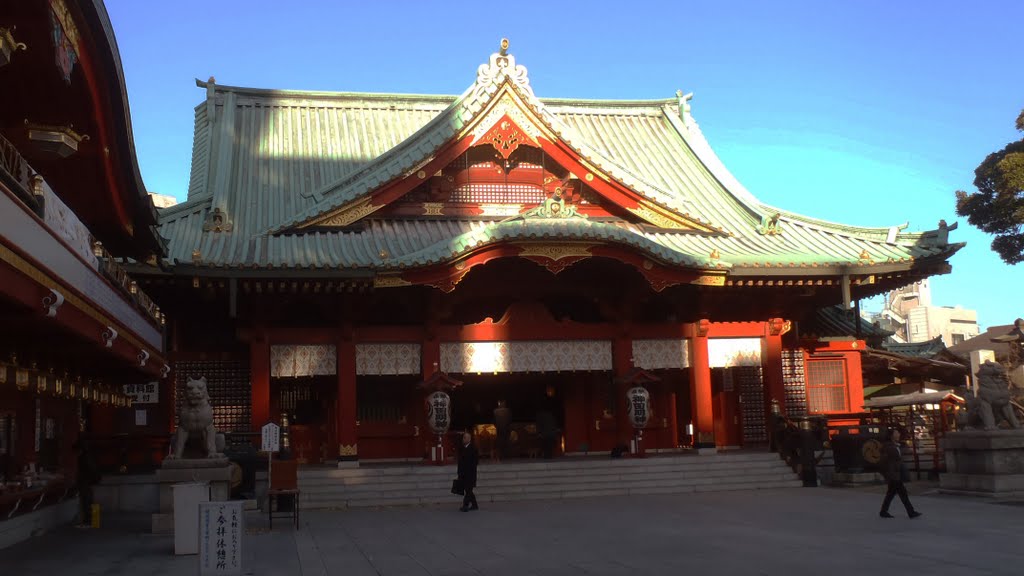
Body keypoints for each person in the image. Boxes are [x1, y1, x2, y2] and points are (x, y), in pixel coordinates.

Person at [879, 428, 921, 519]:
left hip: (896, 473)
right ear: (892, 436)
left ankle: (883, 511)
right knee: (903, 493)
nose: (898, 434)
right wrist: (888, 473)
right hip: (893, 474)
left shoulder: (895, 446)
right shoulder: (889, 447)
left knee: (891, 493)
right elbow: (885, 462)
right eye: (896, 433)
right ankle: (911, 512)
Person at [75, 440, 99, 527]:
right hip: (89, 481)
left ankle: (88, 521)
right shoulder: (89, 456)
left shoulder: (83, 458)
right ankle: (95, 521)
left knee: (86, 502)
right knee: (90, 501)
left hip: (85, 481)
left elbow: (87, 470)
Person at [457, 431, 479, 512]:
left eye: (465, 438)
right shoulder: (462, 448)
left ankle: (465, 505)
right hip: (463, 473)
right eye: (463, 437)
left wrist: (469, 470)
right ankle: (474, 505)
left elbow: (475, 462)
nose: (463, 439)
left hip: (470, 474)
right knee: (468, 490)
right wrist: (459, 473)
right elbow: (460, 462)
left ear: (469, 439)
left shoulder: (473, 448)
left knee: (468, 490)